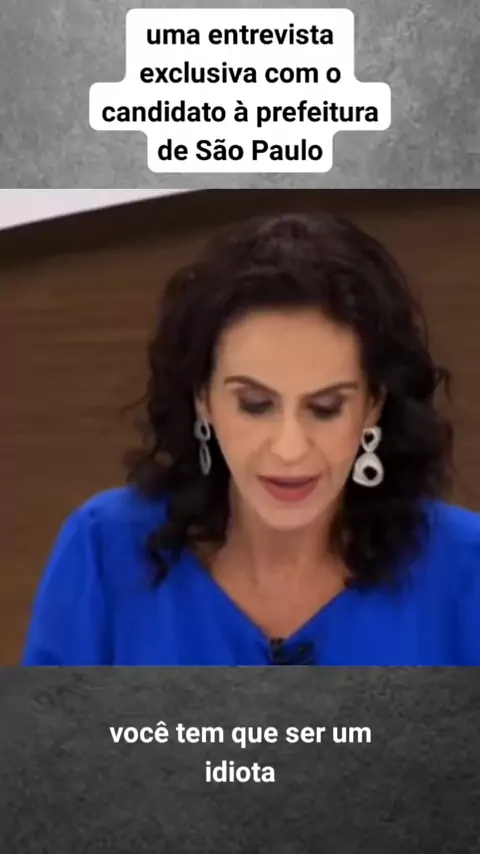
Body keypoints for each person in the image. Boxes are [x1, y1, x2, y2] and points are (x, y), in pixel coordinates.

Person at [22, 212, 480, 666]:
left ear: (373, 406)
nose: (289, 449)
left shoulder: (466, 568)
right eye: (255, 404)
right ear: (203, 398)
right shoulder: (103, 549)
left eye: (325, 408)